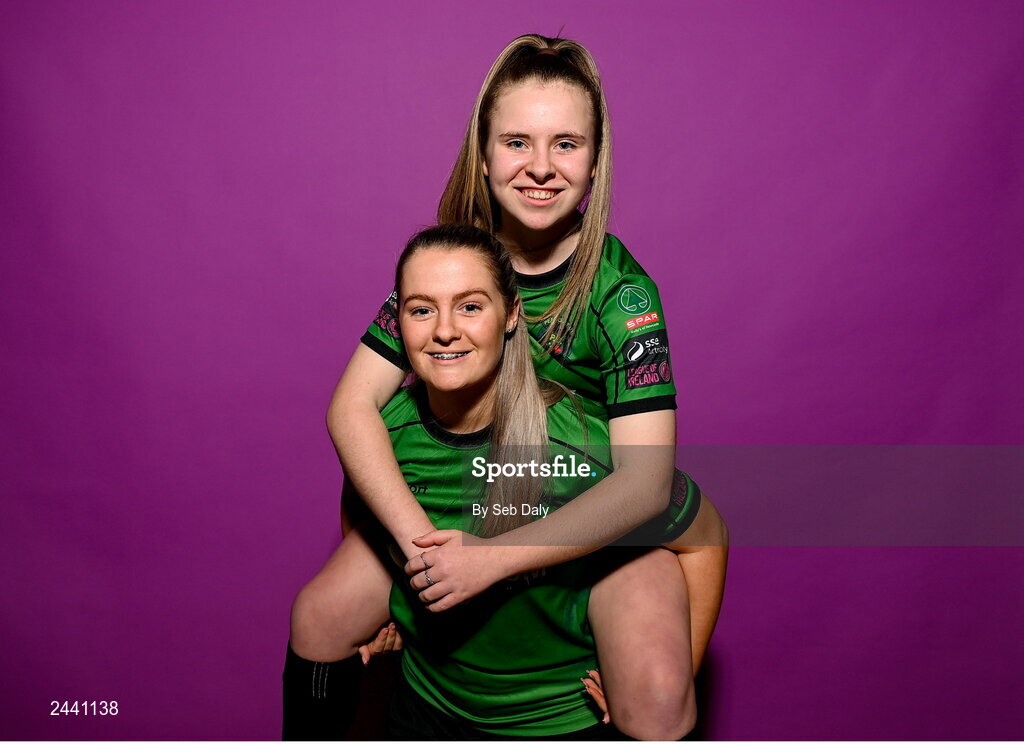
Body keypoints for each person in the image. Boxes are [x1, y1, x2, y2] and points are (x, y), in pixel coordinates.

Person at [285, 35, 728, 741]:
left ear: (596, 160)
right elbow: (353, 407)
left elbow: (646, 485)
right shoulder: (455, 262)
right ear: (484, 155)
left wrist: (487, 560)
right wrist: (421, 553)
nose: (541, 167)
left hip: (585, 506)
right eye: (517, 142)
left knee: (655, 691)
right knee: (319, 613)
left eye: (567, 144)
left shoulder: (622, 296)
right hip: (463, 493)